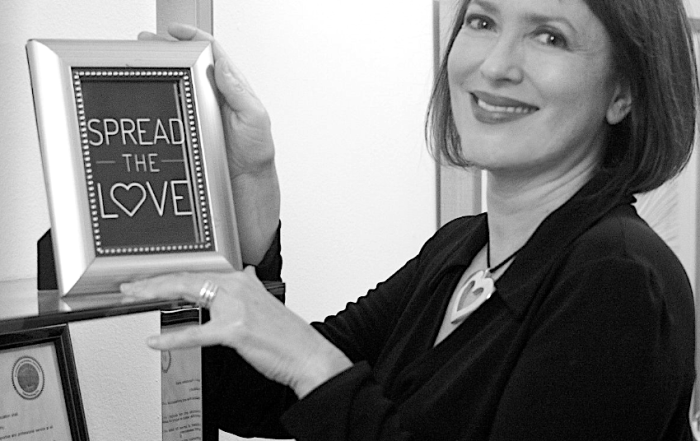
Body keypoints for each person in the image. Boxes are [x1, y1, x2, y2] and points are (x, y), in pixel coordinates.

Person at [123, 0, 698, 439]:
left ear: (623, 92)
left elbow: (317, 378)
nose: (495, 65)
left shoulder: (619, 278)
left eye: (549, 36)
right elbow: (257, 396)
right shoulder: (463, 249)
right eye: (482, 22)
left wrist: (312, 363)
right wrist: (250, 181)